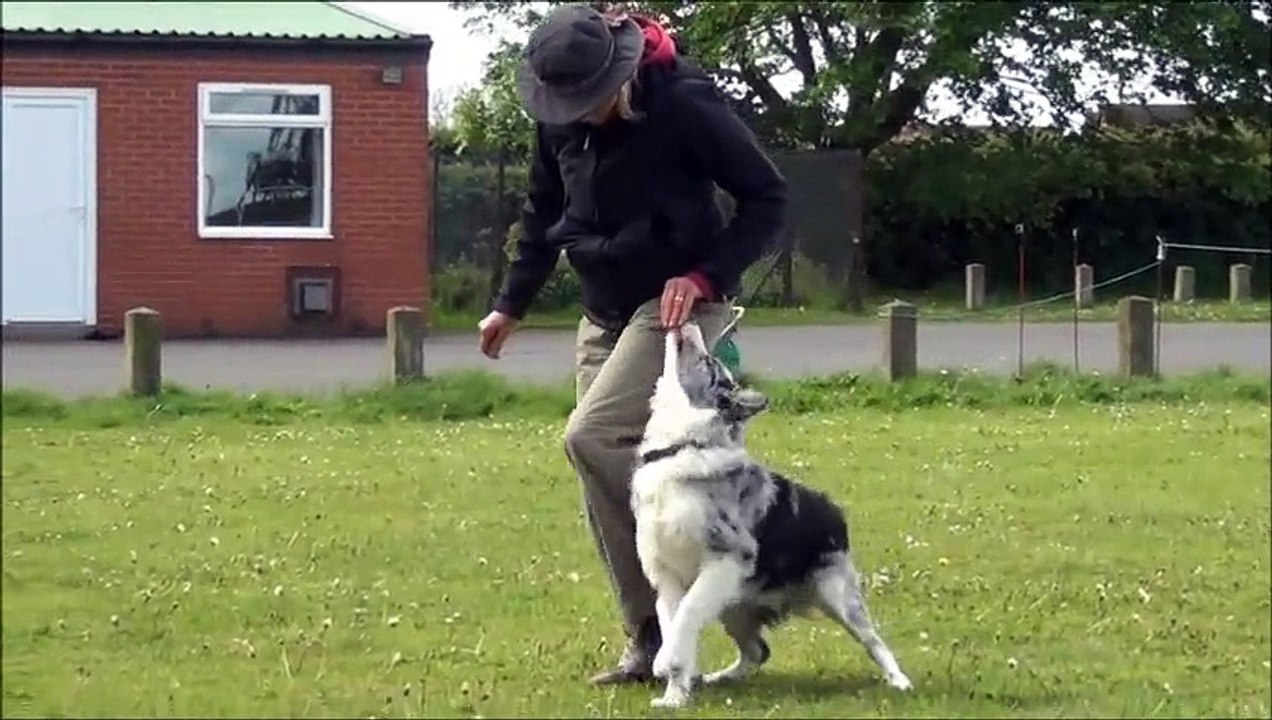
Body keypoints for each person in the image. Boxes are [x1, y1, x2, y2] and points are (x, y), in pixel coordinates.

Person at [477, 3, 787, 685]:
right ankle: (652, 636)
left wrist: (706, 275)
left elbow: (767, 197)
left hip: (677, 304)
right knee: (600, 467)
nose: (578, 115)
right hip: (604, 307)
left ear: (621, 74)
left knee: (590, 437)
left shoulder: (686, 105)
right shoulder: (558, 115)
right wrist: (511, 303)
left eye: (589, 101)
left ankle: (722, 573)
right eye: (566, 104)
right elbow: (542, 209)